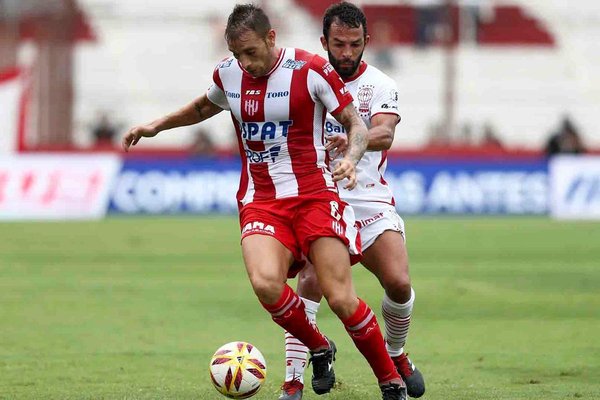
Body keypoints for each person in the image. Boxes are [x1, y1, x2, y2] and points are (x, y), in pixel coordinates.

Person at [121, 4, 407, 400]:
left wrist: (351, 158)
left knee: (341, 297)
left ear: (271, 38)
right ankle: (320, 347)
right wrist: (158, 125)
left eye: (251, 52)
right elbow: (207, 105)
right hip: (262, 199)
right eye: (238, 54)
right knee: (266, 284)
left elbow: (356, 124)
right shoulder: (229, 73)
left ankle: (389, 379)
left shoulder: (310, 71)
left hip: (315, 195)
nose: (245, 62)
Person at [278, 3, 425, 400]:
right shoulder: (305, 81)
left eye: (354, 44)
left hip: (370, 200)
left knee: (398, 281)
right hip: (321, 197)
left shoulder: (380, 83)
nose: (346, 53)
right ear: (323, 41)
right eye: (338, 44)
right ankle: (293, 381)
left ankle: (395, 353)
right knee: (310, 280)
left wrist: (354, 143)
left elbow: (384, 132)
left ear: (367, 42)